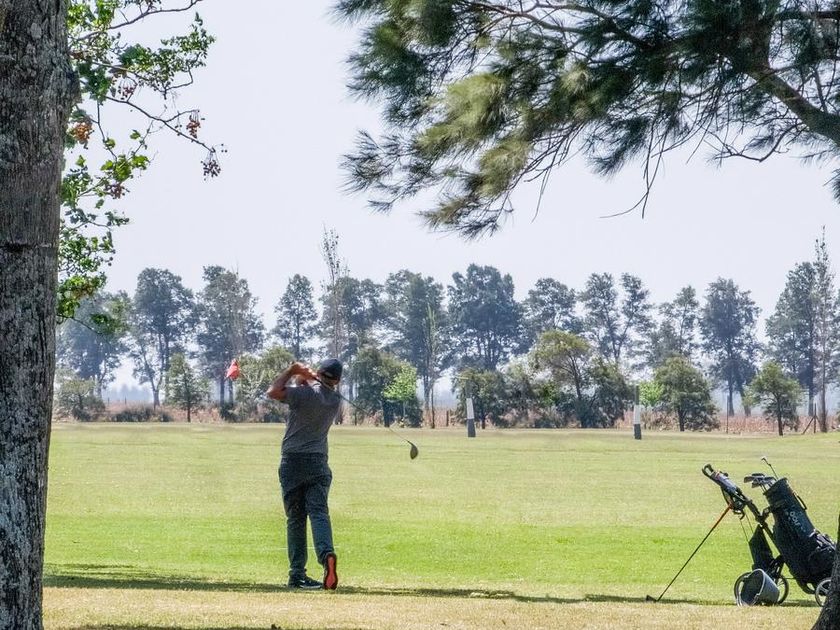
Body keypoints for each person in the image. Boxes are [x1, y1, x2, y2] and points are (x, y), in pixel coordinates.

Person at [266, 358, 343, 590]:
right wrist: (306, 378)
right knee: (319, 513)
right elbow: (310, 391)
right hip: (318, 462)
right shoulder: (335, 400)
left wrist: (292, 370)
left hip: (292, 461)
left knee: (296, 519)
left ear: (319, 373)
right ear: (337, 381)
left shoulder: (303, 394)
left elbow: (273, 392)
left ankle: (297, 574)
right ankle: (326, 555)